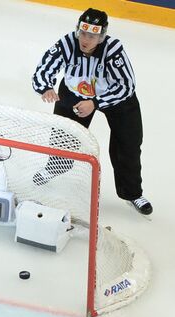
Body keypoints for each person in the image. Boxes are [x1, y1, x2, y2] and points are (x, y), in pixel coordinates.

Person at [31, 8, 153, 215]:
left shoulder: (113, 50)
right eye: (83, 33)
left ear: (101, 36)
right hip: (74, 91)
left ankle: (132, 193)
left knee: (129, 144)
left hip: (116, 98)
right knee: (63, 136)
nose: (85, 40)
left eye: (92, 35)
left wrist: (95, 102)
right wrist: (46, 86)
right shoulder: (68, 42)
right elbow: (43, 69)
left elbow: (127, 85)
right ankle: (56, 167)